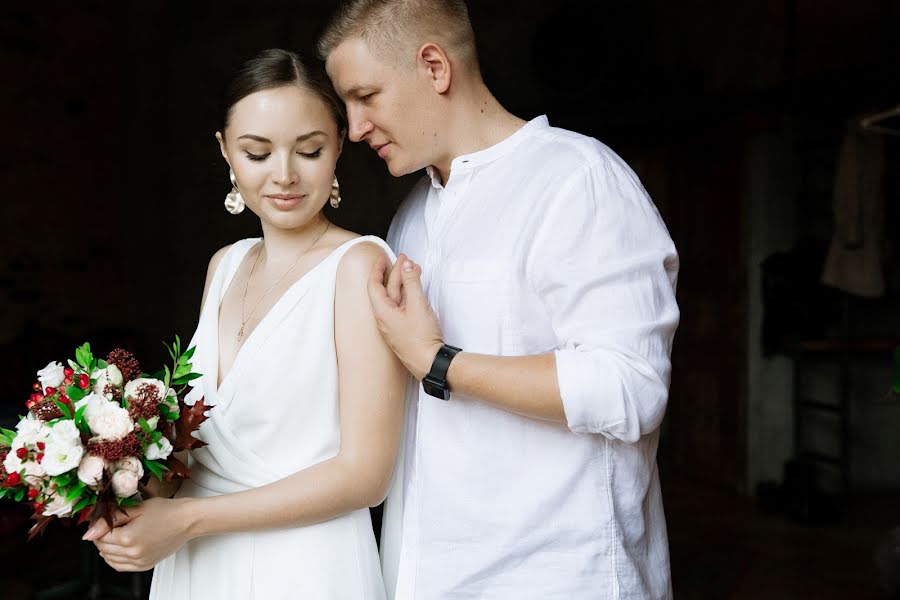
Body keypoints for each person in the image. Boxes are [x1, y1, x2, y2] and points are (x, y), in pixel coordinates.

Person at [319, 1, 680, 598]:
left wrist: (439, 361)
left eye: (366, 96)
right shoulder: (412, 216)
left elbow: (631, 386)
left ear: (434, 66)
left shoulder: (578, 180)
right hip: (427, 579)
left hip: (557, 576)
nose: (354, 128)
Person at [83, 48, 406, 599]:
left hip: (304, 563)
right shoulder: (225, 264)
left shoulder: (358, 267)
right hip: (196, 564)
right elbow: (195, 442)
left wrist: (188, 521)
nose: (284, 175)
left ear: (337, 149)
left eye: (310, 150)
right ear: (225, 152)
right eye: (258, 153)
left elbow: (365, 475)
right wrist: (127, 490)